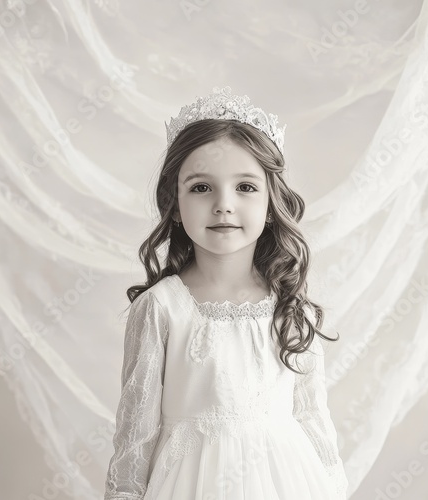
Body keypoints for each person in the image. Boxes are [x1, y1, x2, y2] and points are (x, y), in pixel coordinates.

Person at [103, 86, 349, 499]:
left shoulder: (290, 307)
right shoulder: (161, 308)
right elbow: (135, 437)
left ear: (271, 204)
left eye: (246, 188)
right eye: (201, 187)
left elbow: (312, 418)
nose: (223, 205)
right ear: (174, 203)